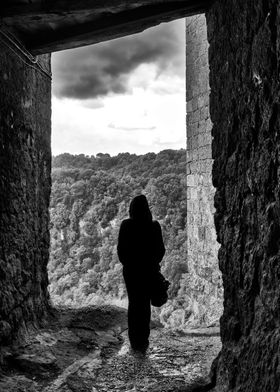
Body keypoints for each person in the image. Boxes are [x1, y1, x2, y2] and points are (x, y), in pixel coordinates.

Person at [117, 195, 165, 354]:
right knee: (144, 305)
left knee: (134, 304)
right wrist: (150, 264)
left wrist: (131, 264)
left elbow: (121, 252)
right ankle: (143, 340)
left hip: (131, 272)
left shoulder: (126, 225)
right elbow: (160, 251)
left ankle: (134, 341)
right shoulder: (154, 226)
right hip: (148, 271)